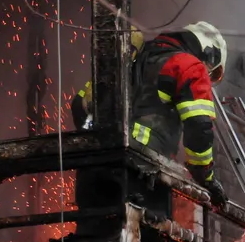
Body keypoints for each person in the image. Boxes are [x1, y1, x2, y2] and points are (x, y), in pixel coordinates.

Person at [72, 22, 228, 208]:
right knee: (145, 235)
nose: (209, 74)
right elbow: (199, 128)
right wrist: (206, 177)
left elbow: (79, 106)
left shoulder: (131, 57)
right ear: (209, 52)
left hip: (92, 169)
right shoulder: (190, 66)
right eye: (213, 69)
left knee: (94, 232)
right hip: (142, 174)